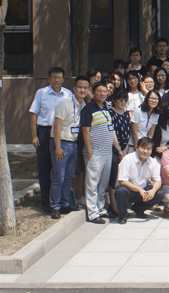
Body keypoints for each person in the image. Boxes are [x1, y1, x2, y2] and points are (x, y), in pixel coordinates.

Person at [29, 66, 73, 212]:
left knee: (60, 168)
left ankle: (61, 201)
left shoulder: (68, 94)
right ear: (49, 79)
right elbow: (33, 114)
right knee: (44, 167)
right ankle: (46, 201)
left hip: (62, 133)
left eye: (59, 77)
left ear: (63, 79)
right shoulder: (41, 93)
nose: (56, 80)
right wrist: (34, 135)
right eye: (54, 77)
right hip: (45, 131)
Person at [81, 82, 123, 223]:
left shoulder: (106, 109)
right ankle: (92, 213)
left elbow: (111, 130)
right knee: (92, 182)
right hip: (95, 152)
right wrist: (89, 150)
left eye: (104, 91)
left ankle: (101, 208)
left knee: (103, 183)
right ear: (93, 93)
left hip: (107, 152)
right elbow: (85, 131)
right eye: (99, 91)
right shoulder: (88, 109)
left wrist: (117, 148)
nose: (102, 94)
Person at [49, 75, 89, 219]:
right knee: (58, 176)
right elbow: (57, 126)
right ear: (74, 88)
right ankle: (54, 206)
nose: (82, 90)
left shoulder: (83, 105)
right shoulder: (65, 103)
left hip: (73, 143)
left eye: (85, 88)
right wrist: (57, 147)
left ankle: (65, 203)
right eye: (80, 87)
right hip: (61, 142)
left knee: (69, 176)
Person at [114, 137, 165, 224]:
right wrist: (139, 189)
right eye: (143, 148)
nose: (145, 151)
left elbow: (158, 181)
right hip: (129, 190)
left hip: (143, 191)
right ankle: (122, 215)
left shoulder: (152, 162)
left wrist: (153, 191)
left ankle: (138, 209)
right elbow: (122, 181)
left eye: (148, 149)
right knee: (120, 191)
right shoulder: (128, 159)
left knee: (160, 193)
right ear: (137, 148)